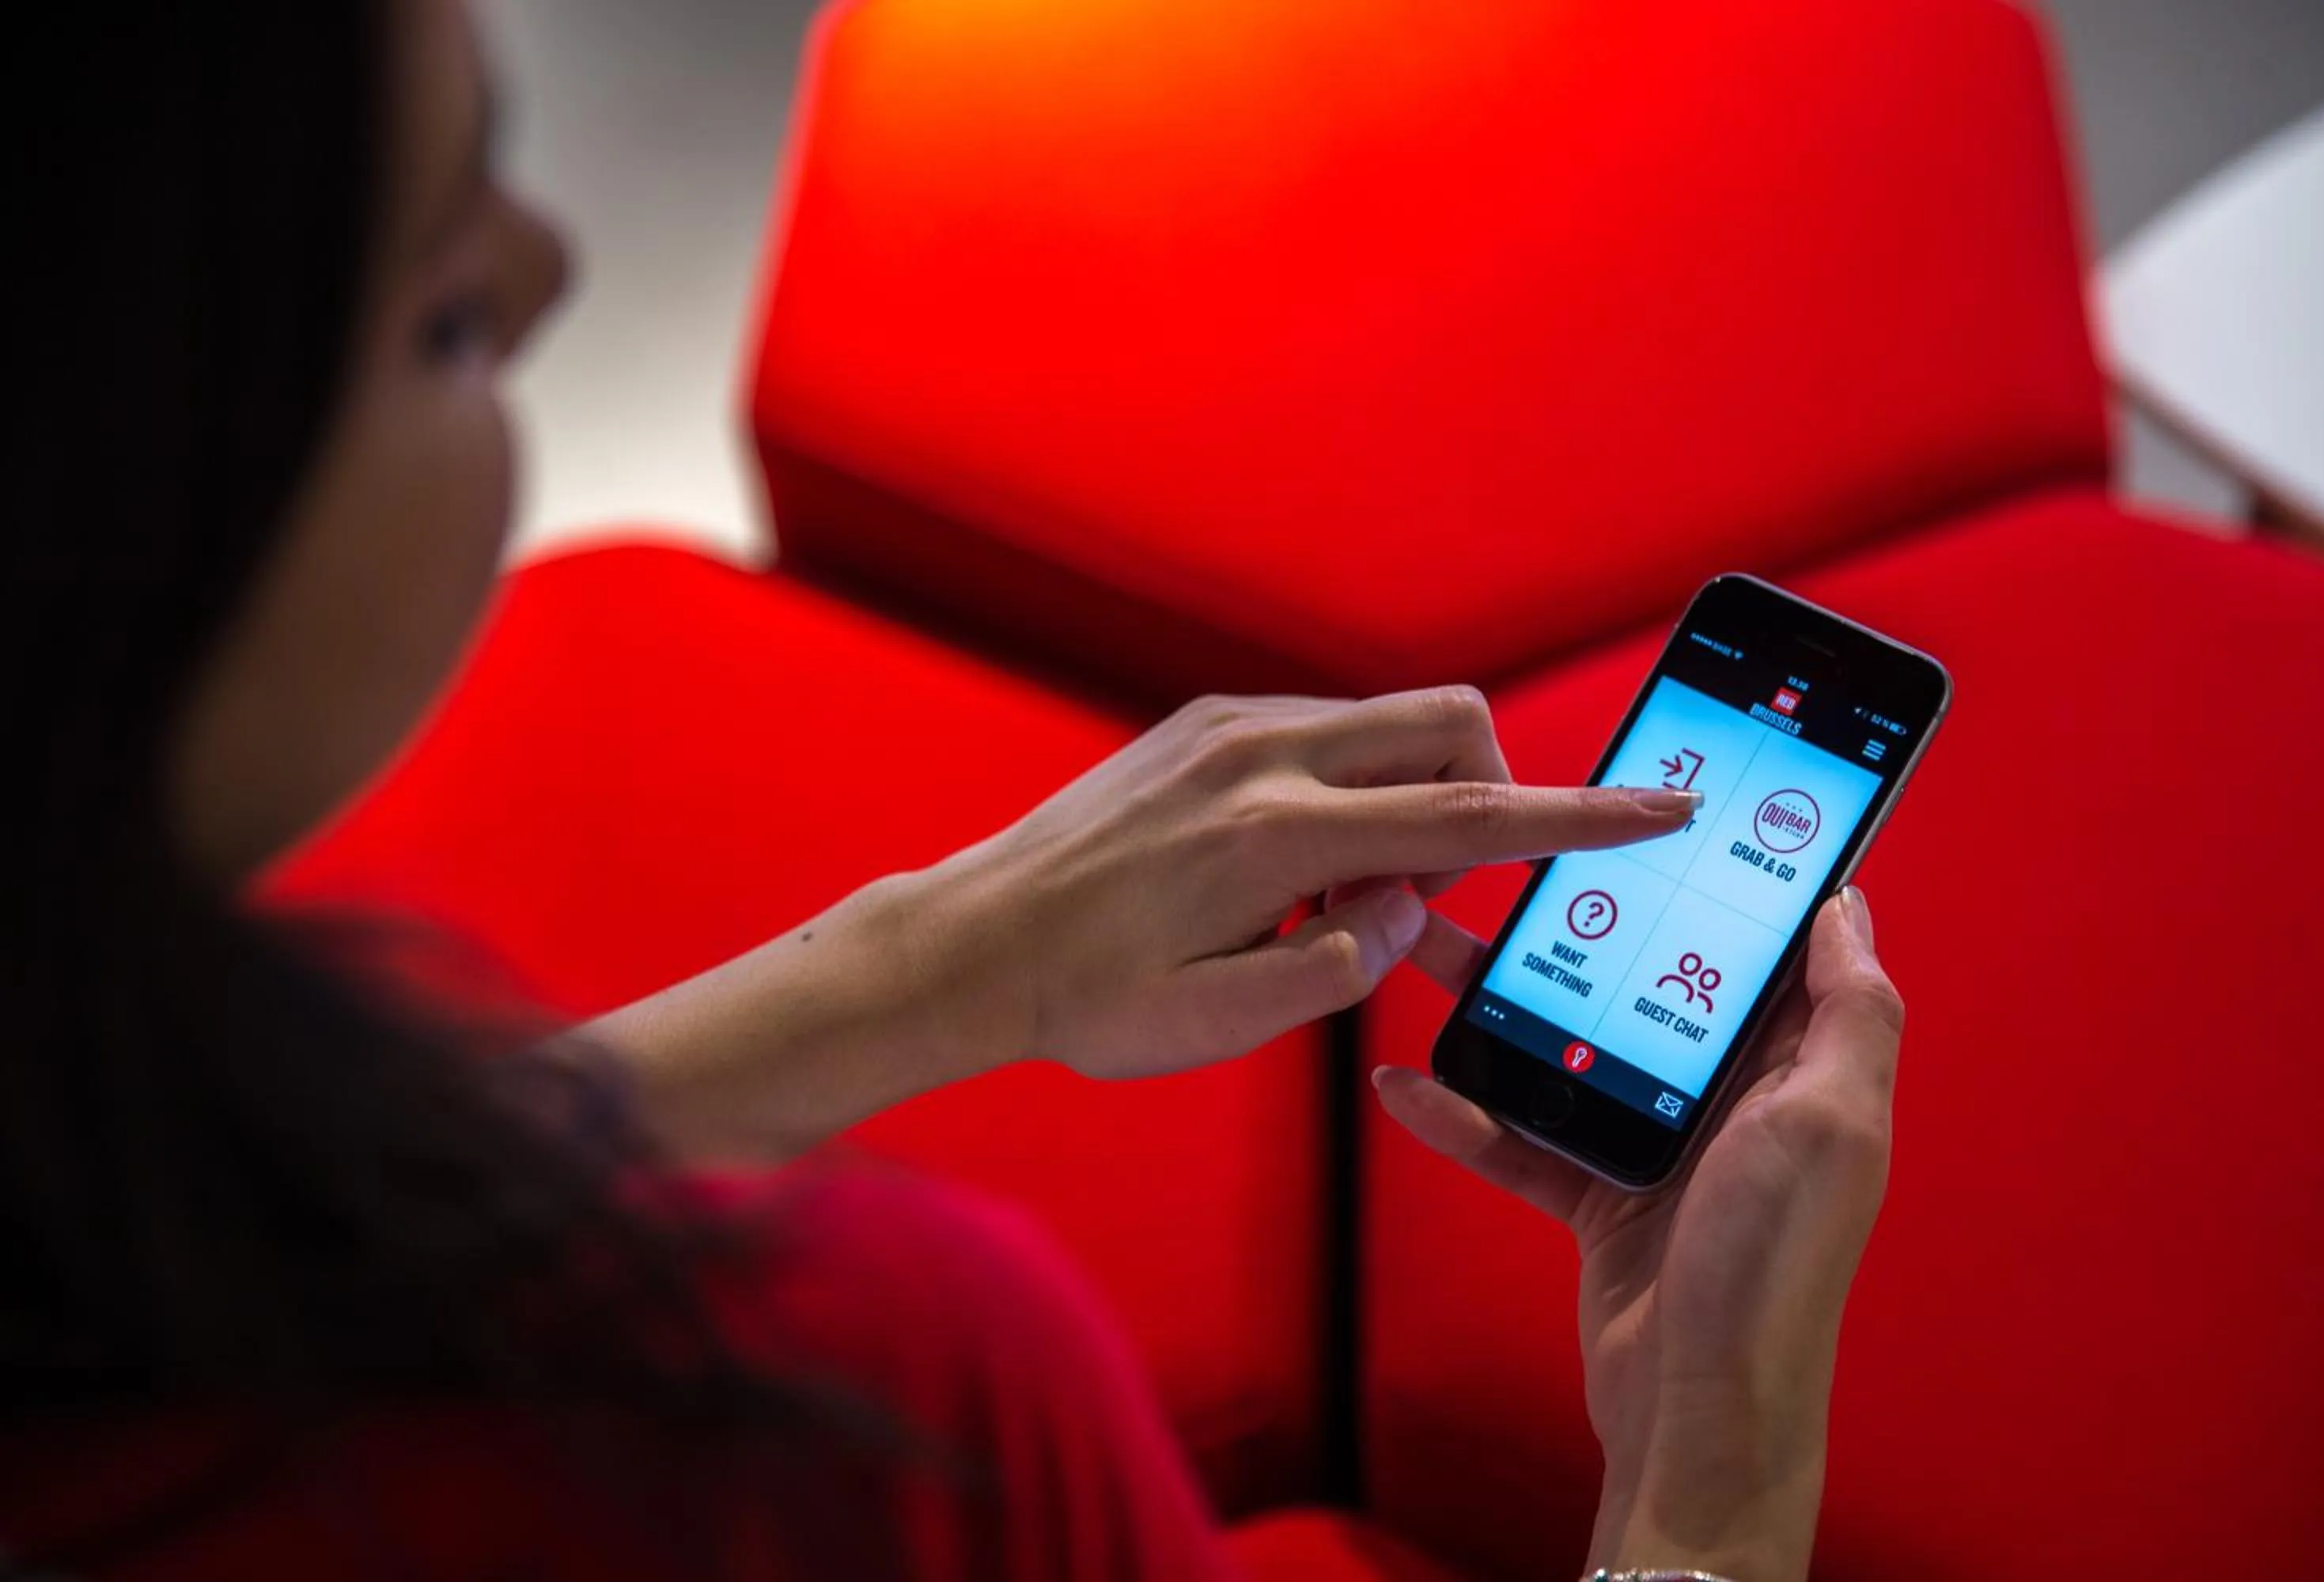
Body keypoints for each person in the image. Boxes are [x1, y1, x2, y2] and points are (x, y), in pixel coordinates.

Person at [3, 3, 1906, 1578]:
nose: (550, 268)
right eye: (434, 309)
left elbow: (252, 1256)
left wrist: (935, 957)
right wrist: (1712, 1487)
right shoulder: (865, 1416)